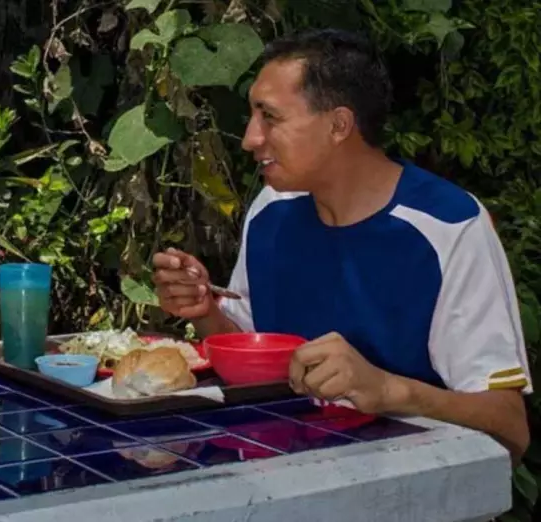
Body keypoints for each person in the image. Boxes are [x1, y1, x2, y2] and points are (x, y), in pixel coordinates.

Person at [153, 29, 531, 460]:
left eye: (269, 117)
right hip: (287, 483)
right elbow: (252, 358)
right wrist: (205, 311)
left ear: (339, 125)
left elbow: (510, 428)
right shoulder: (272, 209)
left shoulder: (448, 225)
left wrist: (388, 389)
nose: (250, 139)